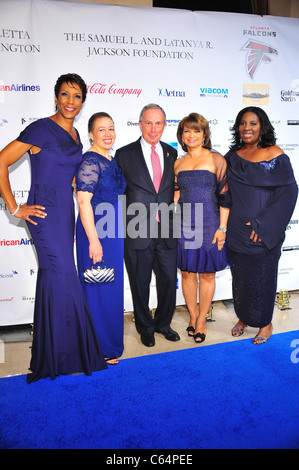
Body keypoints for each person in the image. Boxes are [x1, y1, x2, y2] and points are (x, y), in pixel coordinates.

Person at [0, 73, 107, 382]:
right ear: (56, 97)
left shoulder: (75, 136)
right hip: (43, 214)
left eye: (76, 96)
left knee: (60, 277)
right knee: (61, 274)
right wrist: (14, 205)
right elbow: (2, 161)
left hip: (65, 211)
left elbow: (69, 174)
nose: (70, 101)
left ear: (82, 102)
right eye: (64, 94)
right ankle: (64, 353)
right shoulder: (40, 129)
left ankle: (60, 351)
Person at [225, 106, 298, 344]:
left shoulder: (274, 154)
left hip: (263, 233)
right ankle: (244, 318)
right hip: (236, 231)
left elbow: (288, 193)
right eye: (243, 123)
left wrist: (263, 226)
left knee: (263, 279)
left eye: (253, 123)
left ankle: (265, 323)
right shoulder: (232, 156)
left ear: (262, 126)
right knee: (241, 279)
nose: (247, 128)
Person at [115, 104, 180, 347]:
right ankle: (145, 326)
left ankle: (163, 323)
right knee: (139, 283)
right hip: (137, 230)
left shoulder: (171, 153)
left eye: (159, 123)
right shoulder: (123, 154)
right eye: (149, 123)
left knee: (167, 282)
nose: (153, 129)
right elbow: (117, 193)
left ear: (165, 125)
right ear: (140, 124)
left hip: (166, 230)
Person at [175, 113, 231, 343]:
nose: (191, 135)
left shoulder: (216, 159)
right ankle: (193, 315)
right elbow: (176, 195)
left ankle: (201, 321)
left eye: (196, 131)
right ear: (181, 135)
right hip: (185, 224)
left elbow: (225, 197)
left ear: (205, 134)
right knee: (187, 273)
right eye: (187, 131)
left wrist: (223, 228)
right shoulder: (178, 163)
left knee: (207, 274)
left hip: (209, 222)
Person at [75, 112, 126, 365]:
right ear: (91, 134)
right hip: (96, 232)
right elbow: (83, 201)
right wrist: (94, 240)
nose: (108, 134)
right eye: (102, 130)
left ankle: (109, 344)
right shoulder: (90, 161)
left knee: (110, 287)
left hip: (113, 232)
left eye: (111, 129)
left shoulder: (111, 160)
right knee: (97, 287)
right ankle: (97, 348)